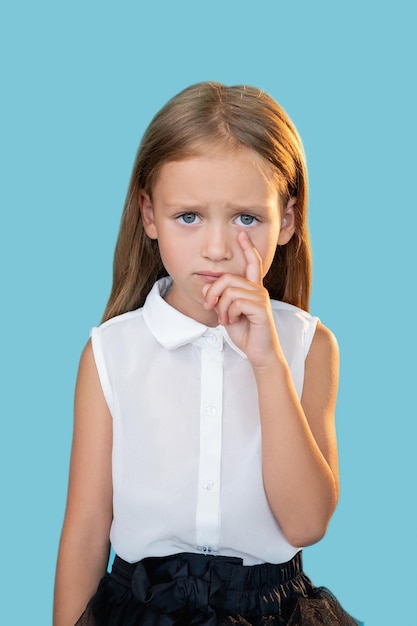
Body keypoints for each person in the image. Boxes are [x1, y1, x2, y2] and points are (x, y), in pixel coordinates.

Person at [54, 82, 361, 626]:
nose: (217, 249)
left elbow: (306, 523)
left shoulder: (309, 347)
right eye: (189, 217)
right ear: (149, 215)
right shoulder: (112, 352)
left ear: (287, 220)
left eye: (246, 217)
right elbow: (85, 531)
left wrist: (268, 365)